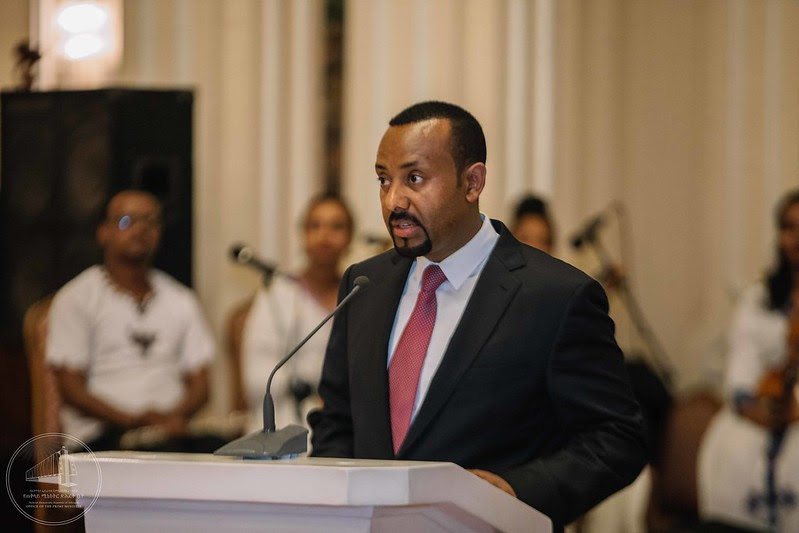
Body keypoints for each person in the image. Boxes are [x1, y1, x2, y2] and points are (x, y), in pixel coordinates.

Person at [309, 101, 647, 528]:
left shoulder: (557, 296)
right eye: (383, 180)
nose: (393, 200)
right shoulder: (364, 285)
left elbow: (618, 438)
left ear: (472, 182)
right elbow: (337, 421)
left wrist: (516, 490)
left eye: (414, 178)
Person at [46, 189, 216, 452]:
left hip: (170, 435)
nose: (140, 229)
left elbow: (201, 386)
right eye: (127, 221)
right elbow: (72, 390)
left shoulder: (181, 299)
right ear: (103, 232)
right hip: (101, 439)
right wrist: (134, 422)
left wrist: (168, 420)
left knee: (229, 453)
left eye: (150, 221)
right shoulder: (76, 298)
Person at [699, 190, 799, 531]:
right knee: (732, 447)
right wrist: (753, 408)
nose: (796, 237)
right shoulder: (759, 298)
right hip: (761, 407)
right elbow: (742, 361)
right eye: (788, 227)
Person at [241, 193, 353, 432]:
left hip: (343, 426)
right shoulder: (278, 294)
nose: (325, 235)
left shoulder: (358, 293)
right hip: (282, 427)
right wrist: (317, 388)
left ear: (350, 237)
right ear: (303, 234)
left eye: (336, 226)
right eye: (315, 226)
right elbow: (256, 379)